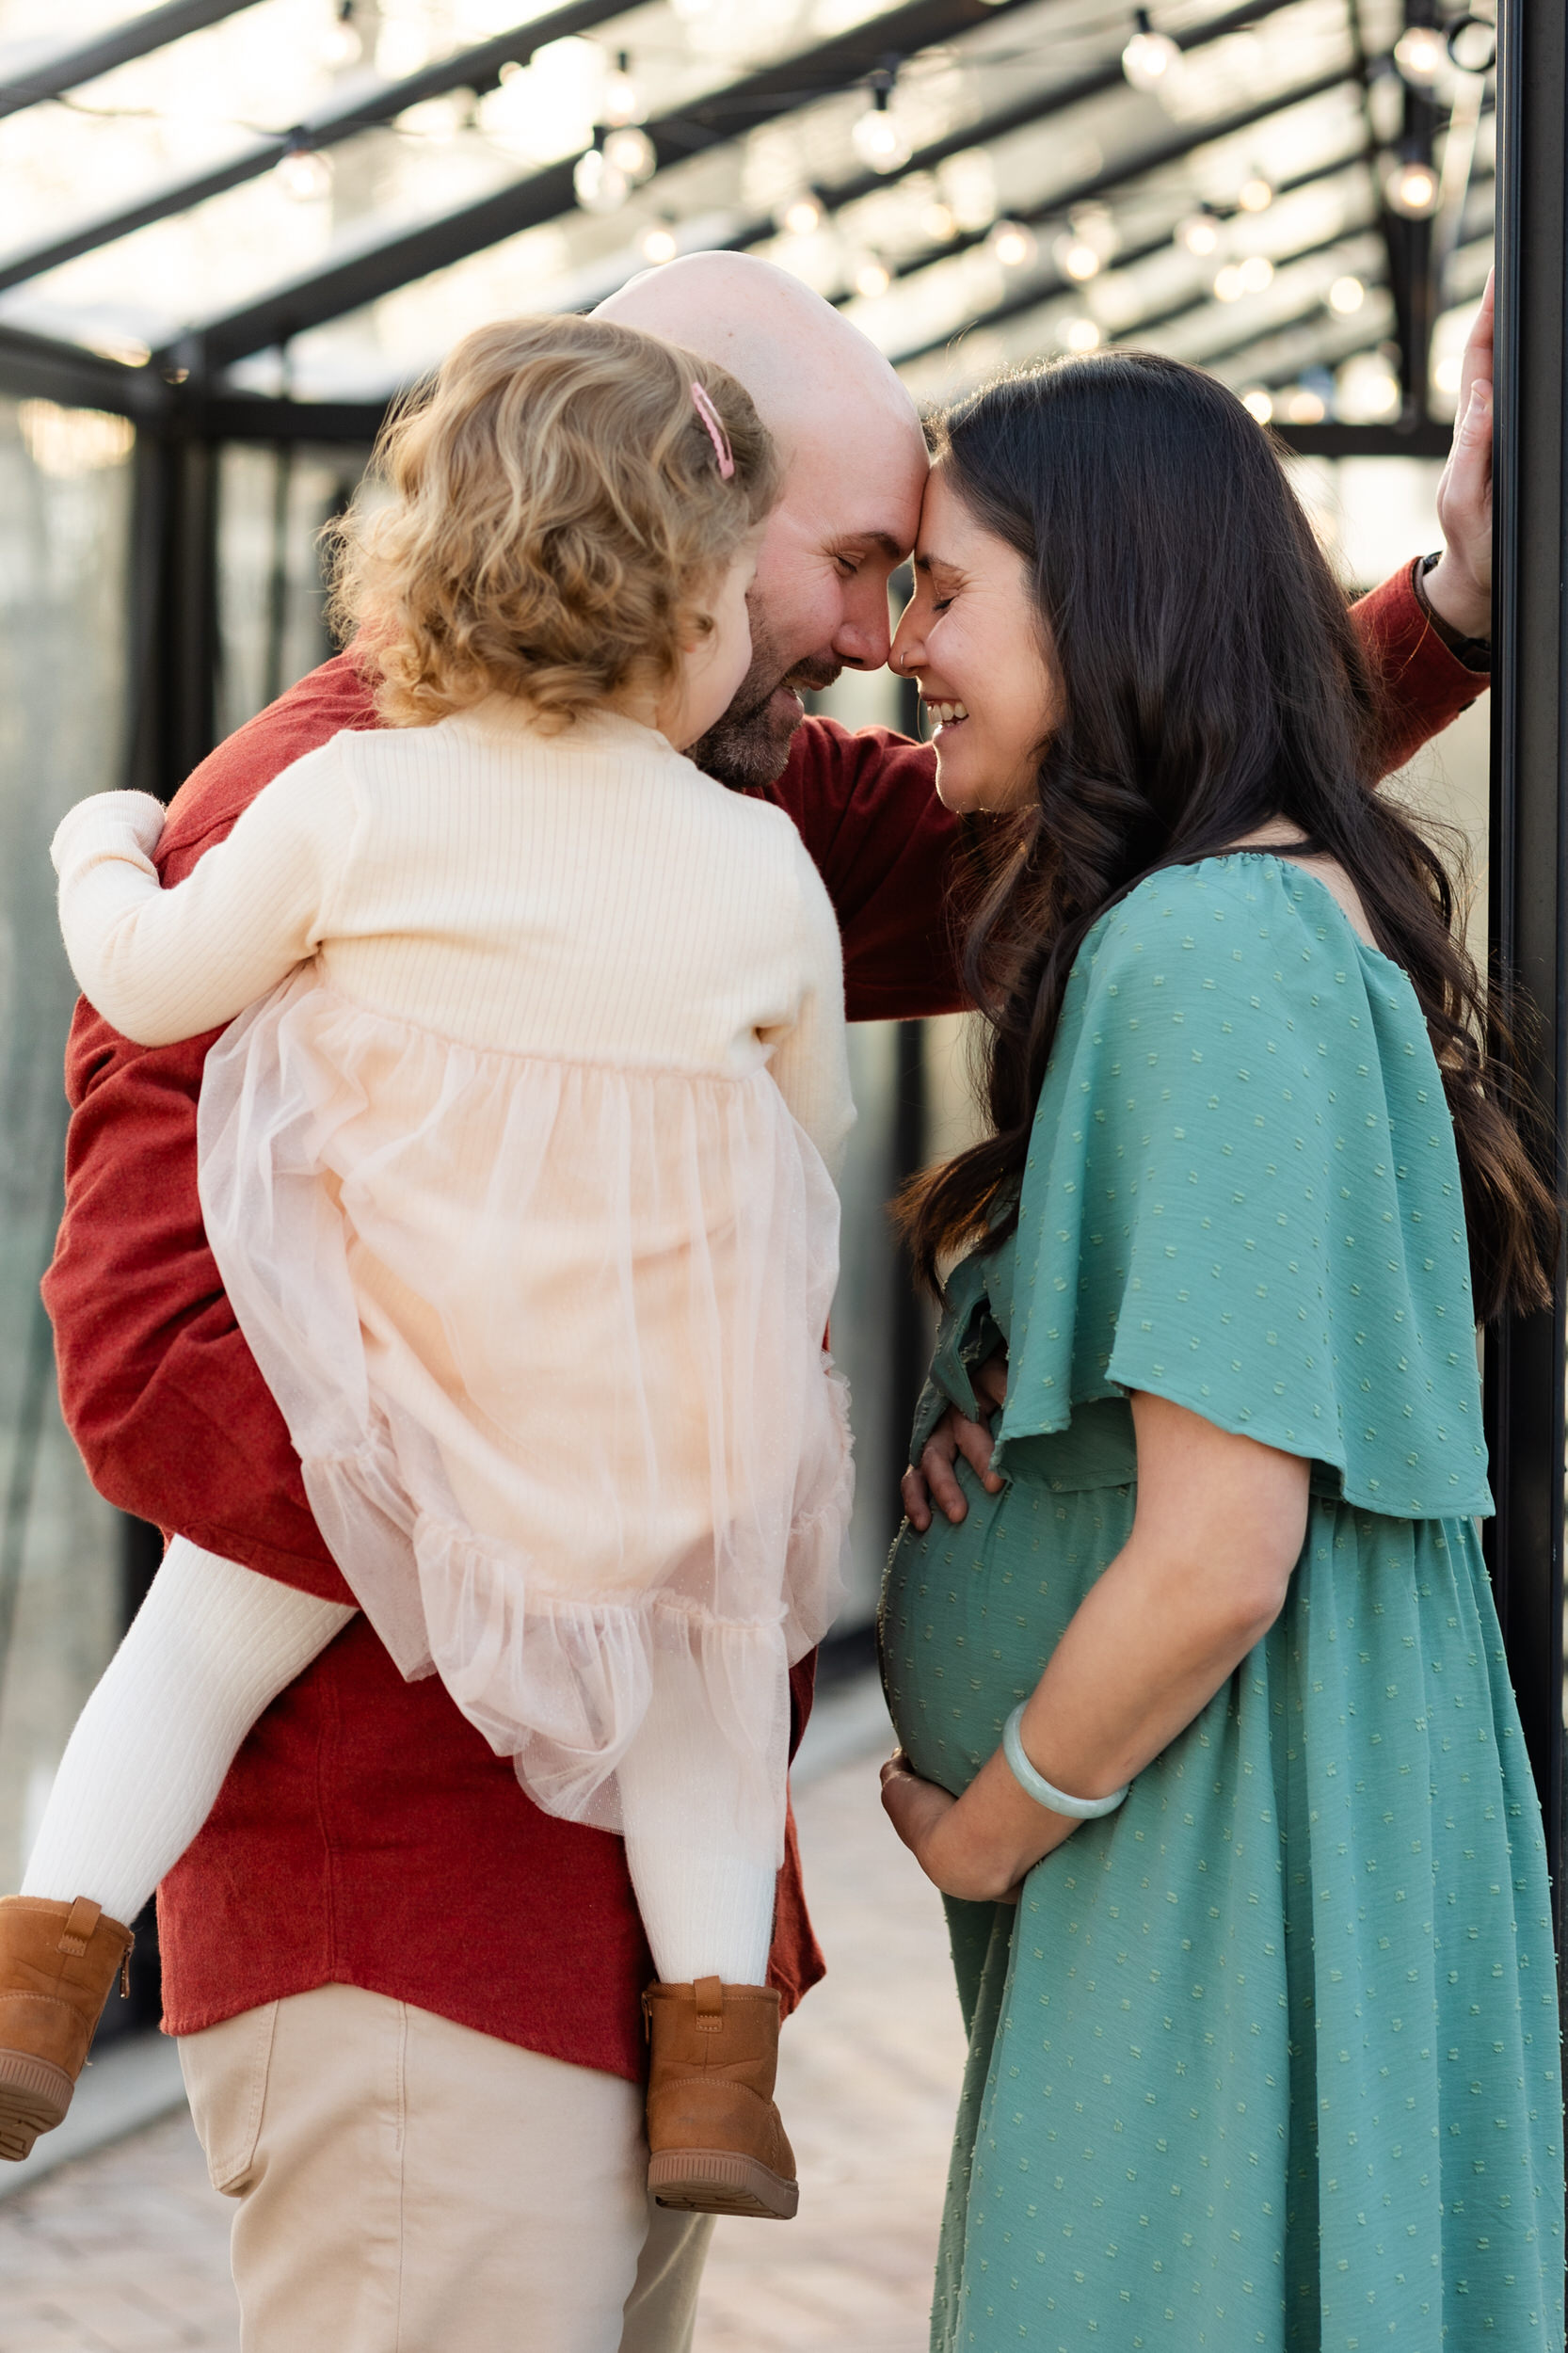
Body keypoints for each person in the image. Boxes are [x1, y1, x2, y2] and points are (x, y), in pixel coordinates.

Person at [39, 252, 1496, 2352]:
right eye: (854, 564)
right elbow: (149, 1366)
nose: (876, 638)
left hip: (631, 1959)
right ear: (672, 504)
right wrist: (598, 1485)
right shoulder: (308, 812)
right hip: (415, 1924)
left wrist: (1441, 607)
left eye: (920, 583)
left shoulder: (720, 791)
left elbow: (1128, 749)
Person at [16, 315, 853, 2225]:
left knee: (198, 1648)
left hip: (383, 1393)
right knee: (699, 1700)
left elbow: (149, 984)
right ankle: (715, 2058)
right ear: (692, 609)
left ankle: (46, 1963)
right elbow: (798, 1138)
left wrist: (99, 844)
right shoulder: (751, 861)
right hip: (644, 1417)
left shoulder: (344, 801)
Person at [877, 345, 1560, 2352]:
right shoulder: (1216, 928)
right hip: (1197, 1825)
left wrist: (988, 1820)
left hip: (1208, 1850)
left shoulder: (1204, 950)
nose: (902, 644)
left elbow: (1214, 1549)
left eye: (941, 589)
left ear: (1096, 597)